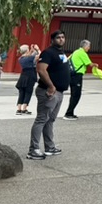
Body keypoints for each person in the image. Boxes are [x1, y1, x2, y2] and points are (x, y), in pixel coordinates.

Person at [27, 31, 71, 161]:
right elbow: (41, 69)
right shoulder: (48, 53)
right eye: (58, 38)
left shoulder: (61, 53)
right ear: (52, 40)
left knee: (50, 120)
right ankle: (33, 149)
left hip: (60, 92)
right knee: (41, 119)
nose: (61, 39)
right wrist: (51, 86)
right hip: (48, 91)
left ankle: (49, 146)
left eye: (63, 37)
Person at [64, 39, 100, 120]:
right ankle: (68, 113)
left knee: (74, 94)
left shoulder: (75, 52)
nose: (89, 48)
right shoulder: (82, 53)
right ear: (85, 46)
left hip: (71, 74)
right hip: (77, 75)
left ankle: (70, 112)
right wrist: (96, 65)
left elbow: (67, 60)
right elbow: (90, 64)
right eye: (88, 46)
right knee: (76, 95)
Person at [15, 44, 39, 115]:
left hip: (23, 76)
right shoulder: (30, 58)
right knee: (28, 92)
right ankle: (24, 108)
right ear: (26, 50)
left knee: (21, 92)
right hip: (30, 76)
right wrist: (37, 49)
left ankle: (19, 109)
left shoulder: (20, 59)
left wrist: (31, 50)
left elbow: (28, 55)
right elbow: (39, 55)